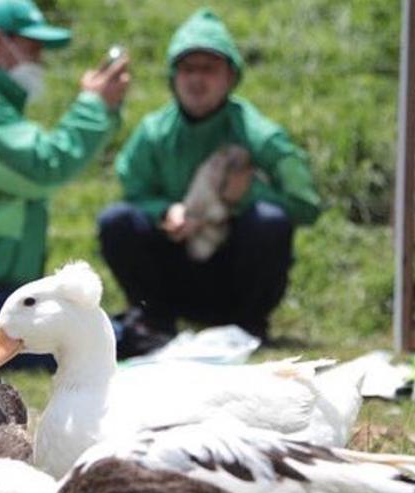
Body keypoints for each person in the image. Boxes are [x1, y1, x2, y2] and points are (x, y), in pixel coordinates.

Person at [98, 8, 321, 359]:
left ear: (231, 77)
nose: (197, 80)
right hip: (173, 268)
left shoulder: (261, 135)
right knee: (116, 220)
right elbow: (135, 193)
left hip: (232, 274)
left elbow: (306, 206)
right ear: (173, 77)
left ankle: (248, 326)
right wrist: (164, 212)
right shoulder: (153, 133)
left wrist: (249, 194)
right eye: (187, 69)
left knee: (270, 221)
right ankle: (152, 322)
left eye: (209, 69)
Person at [0, 0, 130, 364]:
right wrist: (93, 108)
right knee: (92, 341)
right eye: (33, 48)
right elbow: (42, 167)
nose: (39, 61)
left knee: (96, 334)